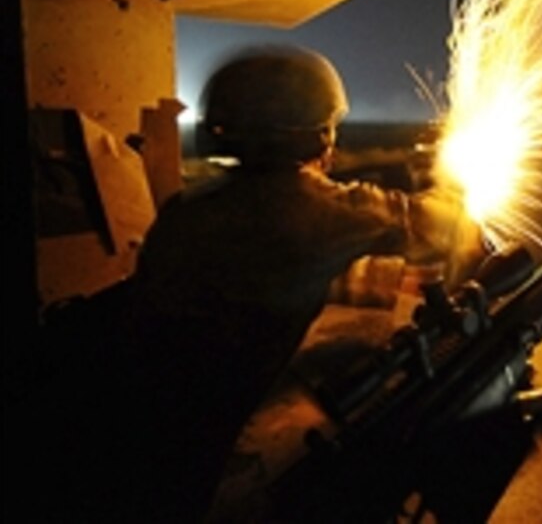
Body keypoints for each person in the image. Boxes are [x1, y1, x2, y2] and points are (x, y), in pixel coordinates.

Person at [47, 45, 486, 522]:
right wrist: (459, 183)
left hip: (123, 429)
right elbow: (438, 225)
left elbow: (262, 273)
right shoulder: (313, 207)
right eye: (329, 128)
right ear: (314, 135)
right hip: (199, 460)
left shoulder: (188, 209)